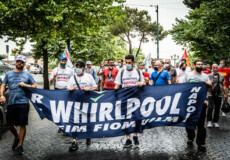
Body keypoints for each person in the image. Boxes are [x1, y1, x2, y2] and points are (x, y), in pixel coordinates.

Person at [0, 55, 37, 155]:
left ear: (24, 64)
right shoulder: (9, 74)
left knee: (22, 124)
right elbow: (3, 85)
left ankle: (20, 145)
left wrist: (26, 85)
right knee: (9, 124)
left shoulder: (27, 75)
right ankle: (17, 137)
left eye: (22, 62)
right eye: (18, 61)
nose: (19, 63)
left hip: (23, 102)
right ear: (15, 62)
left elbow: (35, 86)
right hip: (12, 102)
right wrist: (1, 95)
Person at [114, 54, 145, 148]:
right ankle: (128, 139)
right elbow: (117, 86)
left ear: (133, 63)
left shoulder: (138, 72)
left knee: (137, 118)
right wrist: (111, 95)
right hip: (124, 99)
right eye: (126, 62)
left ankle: (135, 135)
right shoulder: (121, 72)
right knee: (125, 119)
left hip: (136, 99)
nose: (127, 64)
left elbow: (143, 82)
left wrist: (142, 83)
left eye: (129, 63)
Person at [68, 61, 98, 152]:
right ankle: (74, 141)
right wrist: (70, 89)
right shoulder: (72, 78)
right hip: (76, 103)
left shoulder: (89, 77)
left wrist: (89, 89)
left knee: (88, 120)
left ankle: (88, 136)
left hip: (87, 103)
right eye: (76, 67)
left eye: (80, 67)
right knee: (75, 121)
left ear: (83, 68)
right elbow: (68, 88)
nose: (78, 68)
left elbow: (95, 87)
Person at [183, 59, 212, 152]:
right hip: (190, 103)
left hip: (202, 104)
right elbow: (183, 88)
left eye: (201, 64)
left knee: (201, 123)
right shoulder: (188, 75)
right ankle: (190, 137)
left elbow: (209, 91)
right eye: (198, 64)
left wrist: (209, 86)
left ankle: (201, 143)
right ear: (194, 65)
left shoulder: (205, 76)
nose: (200, 66)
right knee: (190, 121)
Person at [50, 55, 74, 133]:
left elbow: (73, 81)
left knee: (67, 109)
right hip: (58, 90)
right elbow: (50, 82)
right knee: (59, 109)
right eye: (62, 61)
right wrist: (54, 76)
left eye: (64, 61)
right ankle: (61, 125)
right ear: (59, 61)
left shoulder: (70, 70)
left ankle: (66, 125)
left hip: (67, 91)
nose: (63, 62)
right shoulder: (55, 69)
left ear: (66, 61)